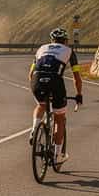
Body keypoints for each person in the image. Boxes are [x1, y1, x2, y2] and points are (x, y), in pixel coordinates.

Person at [29, 28, 83, 165]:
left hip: (36, 80)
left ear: (51, 40)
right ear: (65, 40)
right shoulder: (69, 51)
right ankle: (58, 155)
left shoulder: (42, 48)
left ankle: (34, 130)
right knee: (60, 118)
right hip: (55, 82)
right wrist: (78, 94)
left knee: (41, 105)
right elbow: (77, 77)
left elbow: (30, 74)